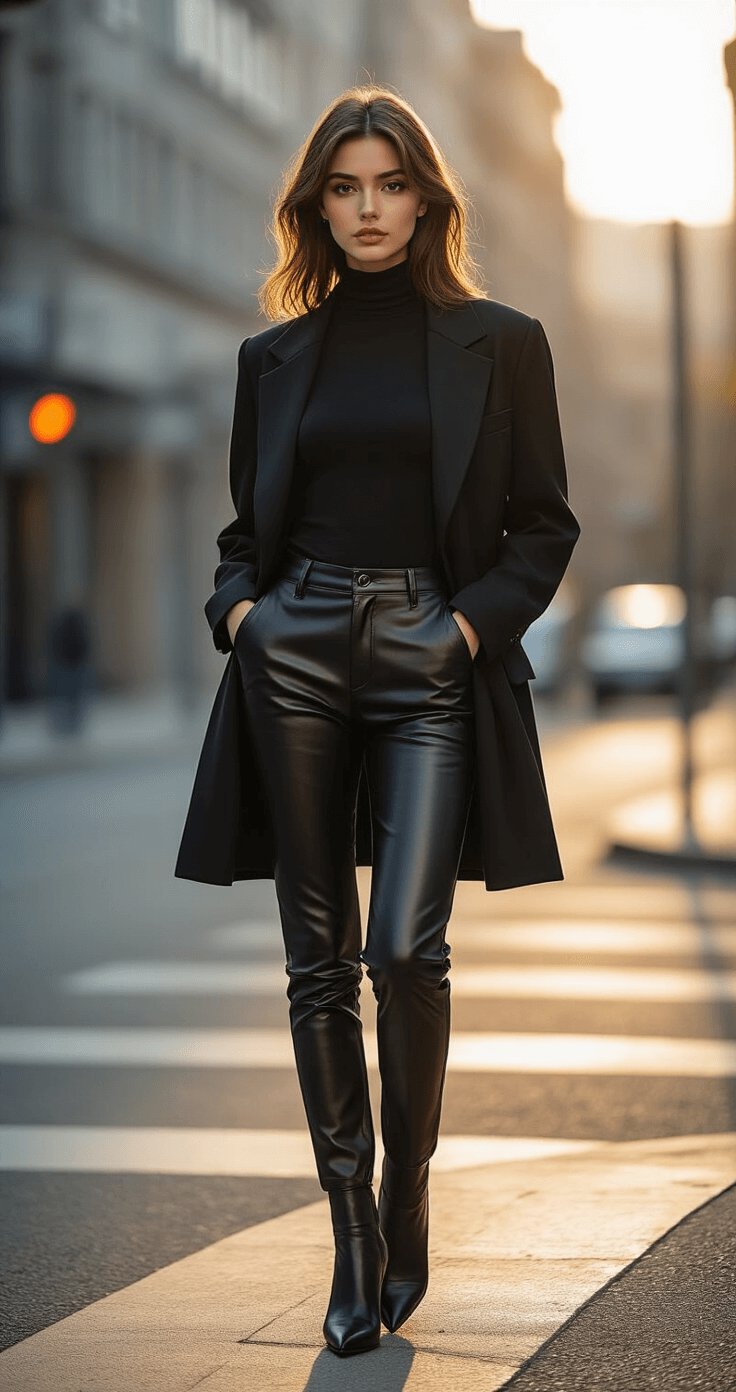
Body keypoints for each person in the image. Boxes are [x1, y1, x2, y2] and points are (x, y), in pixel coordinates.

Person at [175, 86, 580, 1357]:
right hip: (292, 652)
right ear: (316, 205)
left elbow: (542, 525)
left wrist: (464, 628)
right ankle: (351, 1231)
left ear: (425, 199)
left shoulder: (500, 341)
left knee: (403, 951)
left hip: (430, 653)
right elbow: (249, 531)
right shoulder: (273, 357)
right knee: (313, 962)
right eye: (343, 188)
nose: (366, 209)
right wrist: (240, 614)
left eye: (388, 185)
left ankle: (407, 1188)